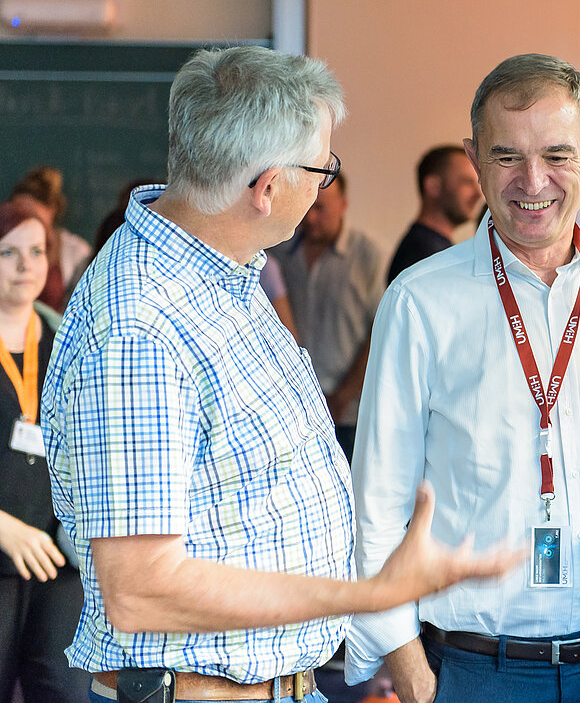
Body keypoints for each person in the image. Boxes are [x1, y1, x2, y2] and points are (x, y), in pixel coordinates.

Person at [40, 45, 519, 703]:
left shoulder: (223, 269)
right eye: (323, 169)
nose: (325, 186)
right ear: (266, 187)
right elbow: (141, 589)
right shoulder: (140, 326)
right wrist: (369, 595)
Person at [345, 53, 580, 703]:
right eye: (507, 156)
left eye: (557, 155)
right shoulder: (419, 301)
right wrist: (415, 679)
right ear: (474, 160)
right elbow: (377, 507)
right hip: (474, 673)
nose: (532, 180)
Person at [0, 202, 88, 702]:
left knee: (66, 691)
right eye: (8, 252)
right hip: (3, 549)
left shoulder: (64, 339)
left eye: (36, 252)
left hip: (57, 556)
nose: (24, 266)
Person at [272, 173, 384, 459]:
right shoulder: (277, 252)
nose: (310, 218)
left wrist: (342, 396)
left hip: (347, 414)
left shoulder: (368, 256)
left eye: (320, 208)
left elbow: (380, 332)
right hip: (290, 408)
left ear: (343, 206)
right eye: (307, 206)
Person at [386, 145, 484, 283]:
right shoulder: (422, 255)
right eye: (466, 183)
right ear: (433, 186)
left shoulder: (434, 249)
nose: (478, 194)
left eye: (477, 183)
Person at [8, 166, 92, 309]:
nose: (26, 224)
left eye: (33, 217)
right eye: (17, 216)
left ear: (52, 210)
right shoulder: (6, 244)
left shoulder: (77, 251)